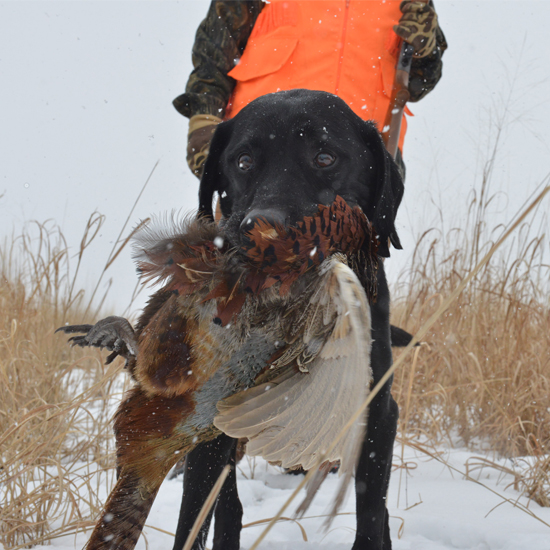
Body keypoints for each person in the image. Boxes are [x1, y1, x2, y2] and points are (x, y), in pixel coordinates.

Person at [174, 0, 447, 180]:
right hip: (262, 163)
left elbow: (420, 81)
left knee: (348, 270)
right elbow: (213, 56)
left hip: (361, 170)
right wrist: (205, 127)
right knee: (251, 264)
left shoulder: (413, 2)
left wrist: (425, 49)